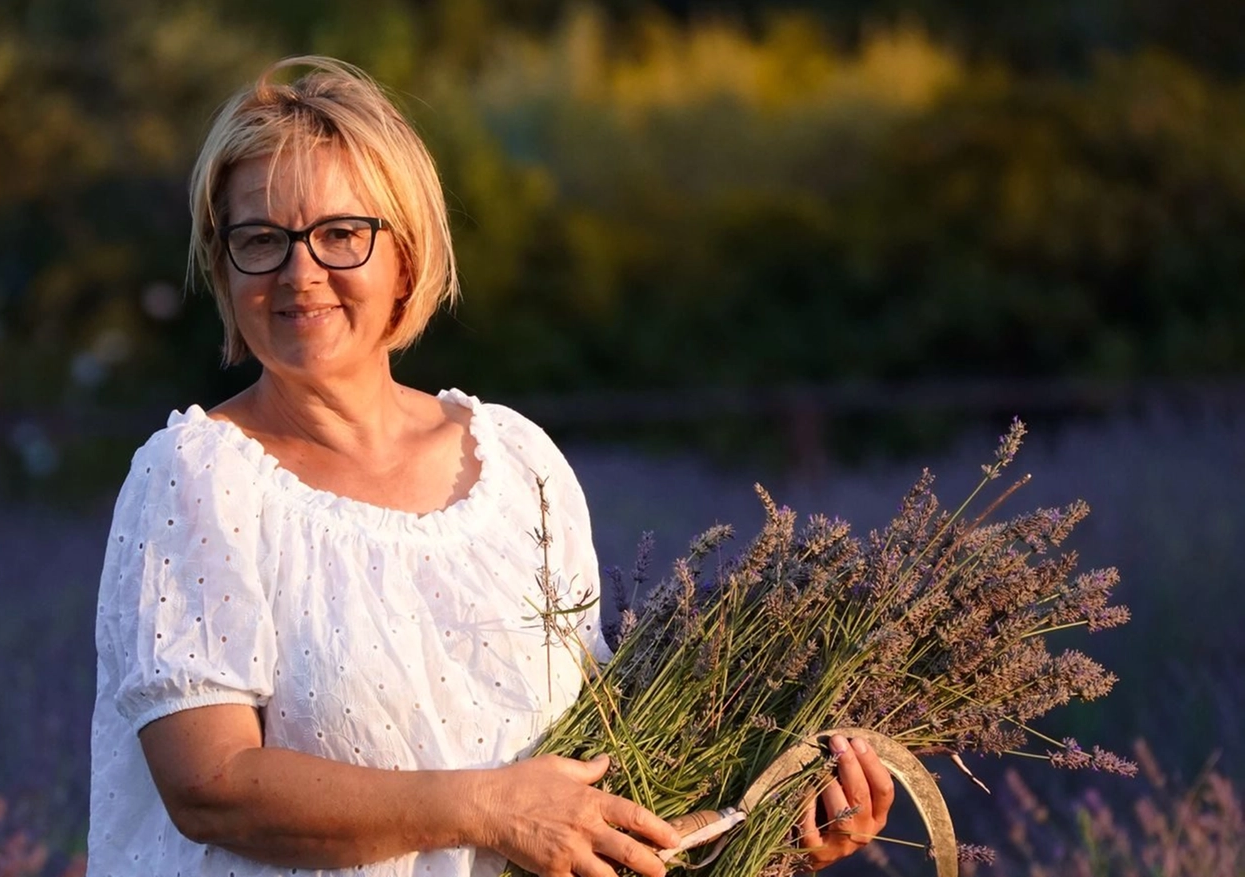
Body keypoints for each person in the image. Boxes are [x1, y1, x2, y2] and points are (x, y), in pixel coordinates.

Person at [87, 55, 892, 877]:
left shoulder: (517, 464)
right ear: (223, 267)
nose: (301, 272)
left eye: (340, 234)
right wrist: (489, 809)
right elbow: (212, 785)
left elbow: (590, 788)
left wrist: (767, 834)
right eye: (261, 239)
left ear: (406, 252)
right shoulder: (198, 479)